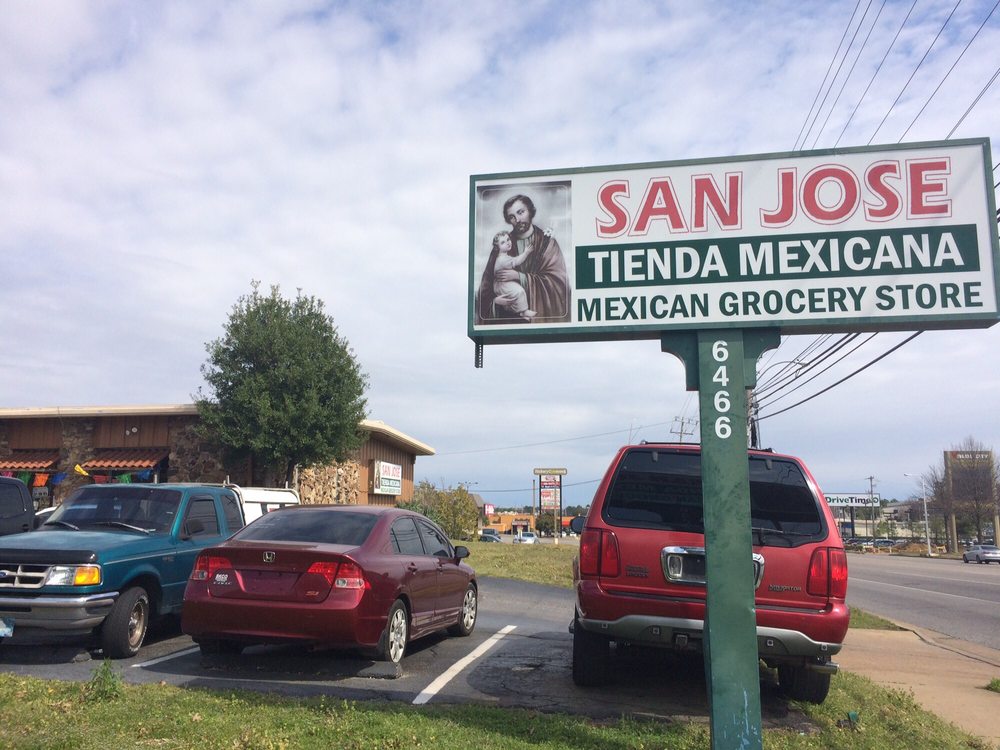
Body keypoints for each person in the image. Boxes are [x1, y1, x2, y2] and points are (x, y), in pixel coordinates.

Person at [476, 193, 570, 324]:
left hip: (539, 317)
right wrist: (495, 301)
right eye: (512, 217)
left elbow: (558, 283)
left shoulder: (548, 243)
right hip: (507, 320)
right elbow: (486, 287)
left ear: (530, 211)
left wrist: (520, 277)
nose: (518, 220)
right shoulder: (501, 247)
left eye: (521, 212)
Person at [490, 230, 537, 320]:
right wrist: (526, 253)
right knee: (519, 291)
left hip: (503, 283)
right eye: (503, 242)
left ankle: (521, 312)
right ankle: (523, 311)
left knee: (517, 292)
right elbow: (516, 261)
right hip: (502, 285)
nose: (508, 243)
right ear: (497, 247)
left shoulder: (504, 256)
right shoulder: (502, 259)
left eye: (508, 239)